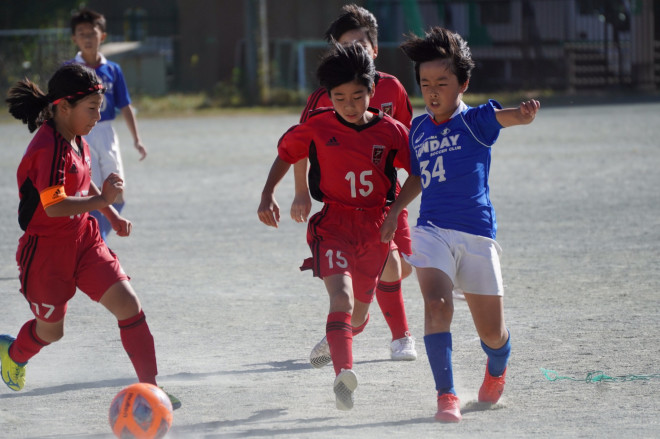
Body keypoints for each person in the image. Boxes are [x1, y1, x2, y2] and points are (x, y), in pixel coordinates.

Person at [381, 27, 540, 422]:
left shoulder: (476, 121)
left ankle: (497, 366)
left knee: (492, 334)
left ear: (462, 84)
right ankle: (446, 395)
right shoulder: (417, 129)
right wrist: (394, 211)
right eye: (425, 83)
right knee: (436, 305)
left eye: (442, 83)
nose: (432, 91)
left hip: (476, 234)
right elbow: (418, 177)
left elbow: (507, 118)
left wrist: (521, 116)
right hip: (431, 229)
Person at [0, 63, 180, 410]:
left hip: (84, 239)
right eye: (92, 108)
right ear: (63, 107)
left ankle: (151, 392)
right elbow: (53, 206)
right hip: (46, 254)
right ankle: (13, 353)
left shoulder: (74, 135)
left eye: (100, 107)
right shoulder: (47, 147)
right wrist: (103, 201)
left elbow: (81, 179)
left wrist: (110, 213)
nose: (98, 116)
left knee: (129, 306)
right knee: (51, 331)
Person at [258, 42, 410, 411]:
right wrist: (268, 194)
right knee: (339, 297)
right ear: (328, 97)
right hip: (334, 224)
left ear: (372, 92)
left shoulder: (390, 132)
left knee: (357, 314)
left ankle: (339, 336)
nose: (349, 104)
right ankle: (344, 375)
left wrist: (395, 212)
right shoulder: (317, 127)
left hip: (376, 226)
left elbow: (417, 176)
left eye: (357, 96)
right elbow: (285, 154)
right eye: (339, 97)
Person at [294, 4, 417, 368]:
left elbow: (408, 143)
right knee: (389, 265)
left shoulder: (392, 88)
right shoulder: (323, 97)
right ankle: (399, 337)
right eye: (345, 46)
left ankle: (348, 327)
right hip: (346, 207)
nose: (354, 52)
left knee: (400, 266)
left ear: (374, 49)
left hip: (388, 200)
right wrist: (301, 191)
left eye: (360, 45)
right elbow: (300, 145)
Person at [69, 8, 147, 242]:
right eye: (81, 33)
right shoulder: (70, 70)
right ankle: (91, 240)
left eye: (92, 33)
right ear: (74, 39)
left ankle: (98, 237)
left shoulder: (113, 69)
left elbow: (125, 105)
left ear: (102, 36)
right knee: (87, 189)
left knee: (117, 190)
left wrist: (137, 139)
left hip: (106, 133)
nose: (87, 38)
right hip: (81, 135)